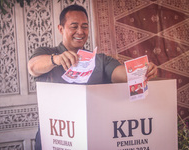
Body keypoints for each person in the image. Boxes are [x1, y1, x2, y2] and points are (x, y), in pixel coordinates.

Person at [28, 4, 157, 150]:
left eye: (84, 26)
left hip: (91, 136)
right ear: (61, 28)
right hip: (54, 136)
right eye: (74, 26)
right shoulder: (47, 52)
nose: (80, 32)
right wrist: (56, 59)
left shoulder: (99, 60)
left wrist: (141, 71)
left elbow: (119, 73)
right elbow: (33, 67)